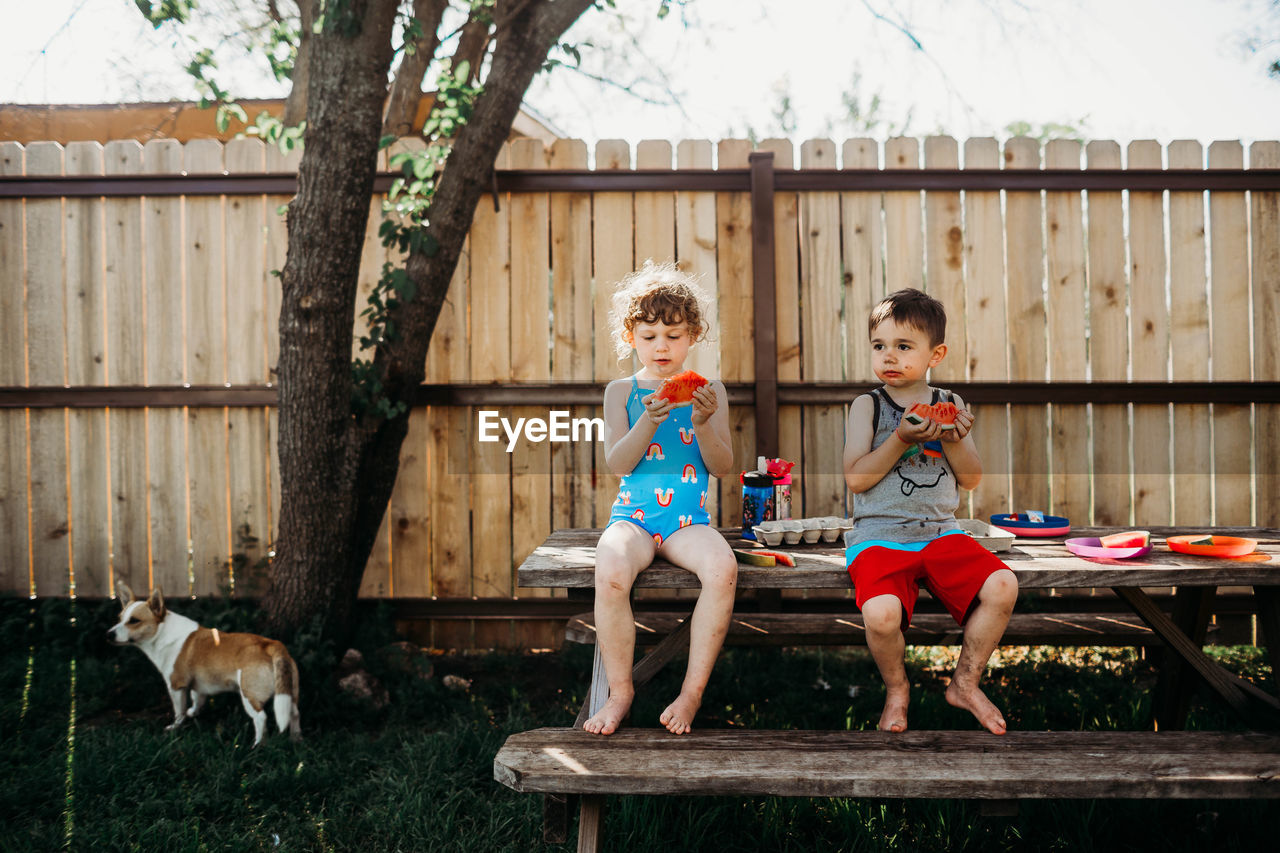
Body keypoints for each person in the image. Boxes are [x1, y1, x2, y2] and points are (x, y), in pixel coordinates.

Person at [842, 288, 1018, 735]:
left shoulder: (951, 404)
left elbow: (971, 479)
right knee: (881, 616)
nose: (889, 357)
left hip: (941, 531)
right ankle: (898, 688)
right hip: (879, 536)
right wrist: (900, 439)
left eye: (903, 346)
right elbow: (856, 480)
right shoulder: (868, 406)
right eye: (879, 346)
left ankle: (965, 682)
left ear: (934, 353)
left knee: (1002, 585)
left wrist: (954, 439)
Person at [584, 261, 736, 736]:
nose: (662, 347)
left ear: (692, 336)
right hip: (633, 516)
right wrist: (648, 420)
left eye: (673, 335)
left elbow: (723, 465)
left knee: (723, 570)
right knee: (609, 571)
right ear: (631, 338)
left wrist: (704, 423)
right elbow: (619, 464)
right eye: (649, 336)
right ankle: (621, 692)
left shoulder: (710, 393)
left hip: (687, 520)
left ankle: (690, 694)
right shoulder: (620, 392)